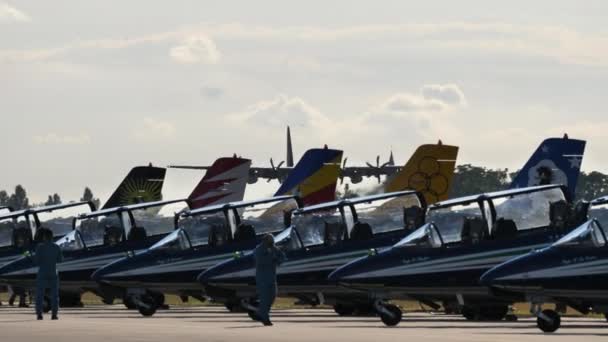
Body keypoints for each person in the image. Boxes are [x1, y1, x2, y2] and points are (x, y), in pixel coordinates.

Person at [254, 234, 285, 326]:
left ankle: (261, 313)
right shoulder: (259, 250)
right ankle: (265, 318)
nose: (272, 242)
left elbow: (282, 257)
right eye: (270, 241)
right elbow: (260, 261)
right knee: (264, 298)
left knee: (272, 296)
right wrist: (272, 258)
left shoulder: (274, 248)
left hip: (272, 277)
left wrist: (278, 259)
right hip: (262, 278)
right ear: (265, 241)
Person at [33, 228, 63, 320]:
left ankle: (39, 314)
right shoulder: (56, 247)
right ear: (52, 236)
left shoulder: (40, 247)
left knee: (40, 294)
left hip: (42, 272)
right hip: (53, 272)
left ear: (44, 237)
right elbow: (60, 260)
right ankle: (54, 314)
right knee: (55, 295)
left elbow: (36, 262)